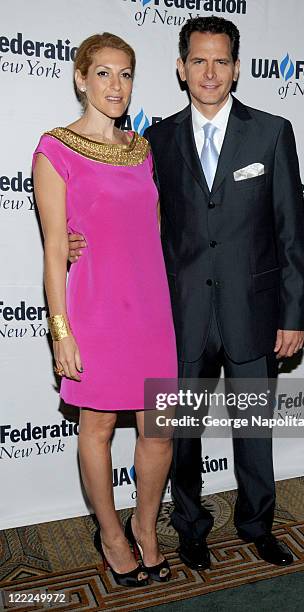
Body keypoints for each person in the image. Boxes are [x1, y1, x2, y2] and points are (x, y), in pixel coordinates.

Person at [69, 17, 304, 570]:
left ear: (236, 68)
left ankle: (257, 526)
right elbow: (125, 216)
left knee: (254, 433)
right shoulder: (152, 142)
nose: (209, 72)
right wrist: (70, 242)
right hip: (177, 316)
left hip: (254, 312)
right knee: (180, 436)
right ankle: (189, 530)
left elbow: (291, 230)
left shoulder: (272, 132)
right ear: (180, 68)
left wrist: (294, 312)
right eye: (198, 60)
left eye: (220, 61)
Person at [33, 32, 177, 587]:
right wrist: (60, 331)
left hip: (151, 310)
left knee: (161, 431)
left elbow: (153, 231)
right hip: (95, 312)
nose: (116, 85)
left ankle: (146, 527)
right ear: (80, 78)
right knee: (96, 427)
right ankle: (112, 534)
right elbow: (52, 250)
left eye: (125, 74)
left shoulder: (142, 149)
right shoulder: (55, 148)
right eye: (103, 74)